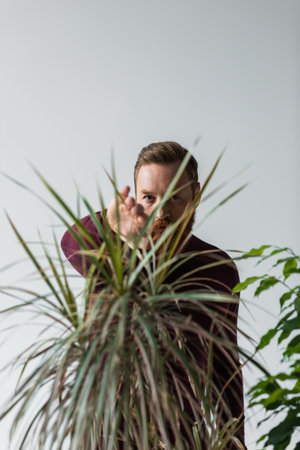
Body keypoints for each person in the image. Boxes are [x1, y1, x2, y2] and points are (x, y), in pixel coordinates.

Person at [61, 141, 245, 448]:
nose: (161, 209)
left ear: (195, 195)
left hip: (180, 433)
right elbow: (70, 243)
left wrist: (233, 441)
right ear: (136, 197)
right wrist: (110, 223)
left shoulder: (218, 270)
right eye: (149, 197)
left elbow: (225, 366)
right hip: (105, 430)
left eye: (174, 197)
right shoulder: (110, 252)